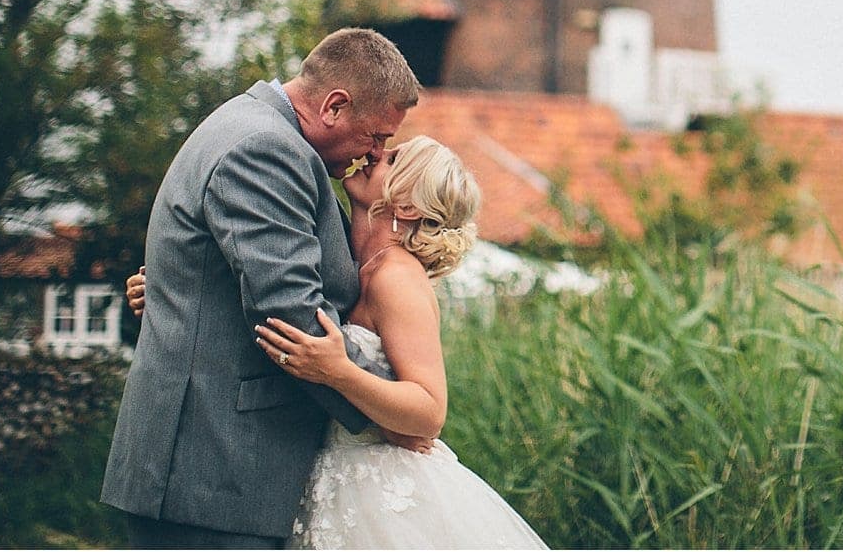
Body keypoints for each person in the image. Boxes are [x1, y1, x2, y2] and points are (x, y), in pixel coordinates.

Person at [132, 136, 546, 549]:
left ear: (406, 207)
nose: (376, 153)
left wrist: (340, 372)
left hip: (383, 492)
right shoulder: (349, 263)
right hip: (325, 474)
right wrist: (177, 293)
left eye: (394, 158)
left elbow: (428, 412)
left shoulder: (397, 278)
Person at [102, 28, 423, 549]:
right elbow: (291, 317)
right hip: (213, 473)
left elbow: (214, 276)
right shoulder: (266, 148)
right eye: (375, 136)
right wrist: (394, 413)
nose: (375, 153)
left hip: (210, 473)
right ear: (335, 106)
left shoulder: (247, 126)